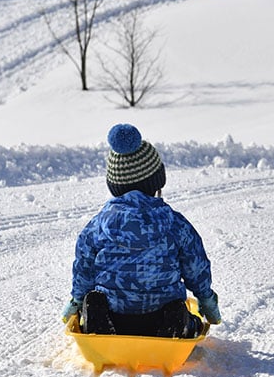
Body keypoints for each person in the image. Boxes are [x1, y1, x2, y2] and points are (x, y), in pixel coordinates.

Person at [61, 123, 222, 338]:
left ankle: (97, 317)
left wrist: (77, 300)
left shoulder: (97, 226)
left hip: (113, 317)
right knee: (180, 310)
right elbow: (196, 266)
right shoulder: (176, 224)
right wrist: (206, 299)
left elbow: (84, 268)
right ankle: (177, 321)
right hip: (161, 315)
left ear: (114, 185)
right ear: (158, 180)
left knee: (96, 299)